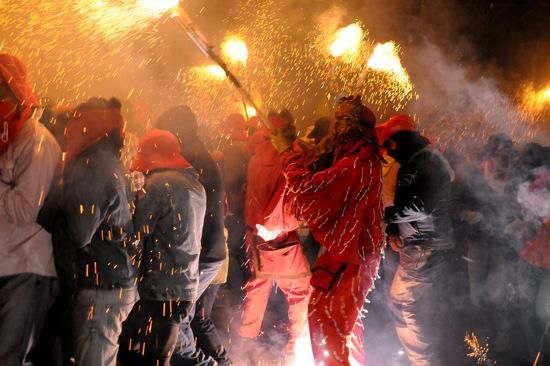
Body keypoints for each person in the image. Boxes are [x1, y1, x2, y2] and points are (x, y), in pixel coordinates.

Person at [274, 95, 385, 365]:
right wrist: (292, 145)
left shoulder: (357, 164)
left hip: (354, 256)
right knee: (332, 321)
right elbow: (317, 168)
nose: (338, 127)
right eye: (337, 120)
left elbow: (309, 187)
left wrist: (286, 155)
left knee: (328, 322)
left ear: (360, 127)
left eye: (346, 120)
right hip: (346, 253)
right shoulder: (349, 157)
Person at [45, 97, 138, 366]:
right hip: (109, 282)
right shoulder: (104, 160)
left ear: (88, 128)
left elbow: (79, 232)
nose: (68, 133)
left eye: (74, 126)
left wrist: (45, 208)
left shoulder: (95, 166)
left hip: (103, 287)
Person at [118, 129, 206, 366]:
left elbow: (136, 233)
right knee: (156, 358)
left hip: (159, 292)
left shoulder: (159, 185)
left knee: (129, 352)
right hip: (184, 290)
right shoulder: (197, 186)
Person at [378, 114, 455, 366]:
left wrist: (383, 216)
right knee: (416, 306)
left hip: (426, 247)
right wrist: (393, 231)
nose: (387, 150)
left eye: (390, 143)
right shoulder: (417, 159)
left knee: (402, 304)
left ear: (403, 138)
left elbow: (421, 205)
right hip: (421, 245)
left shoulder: (428, 161)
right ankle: (428, 358)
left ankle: (424, 362)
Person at [156, 105, 231, 366]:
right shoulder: (196, 152)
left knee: (175, 323)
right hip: (207, 249)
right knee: (187, 318)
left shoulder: (190, 158)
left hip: (202, 251)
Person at [0, 53, 61, 366]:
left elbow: (25, 209)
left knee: (10, 358)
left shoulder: (36, 141)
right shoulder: (6, 137)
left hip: (26, 270)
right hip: (5, 264)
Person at [237, 113, 311, 361]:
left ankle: (246, 339)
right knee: (300, 290)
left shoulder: (256, 158)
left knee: (258, 286)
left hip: (256, 234)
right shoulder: (286, 159)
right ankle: (295, 344)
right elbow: (287, 197)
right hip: (280, 236)